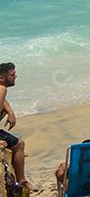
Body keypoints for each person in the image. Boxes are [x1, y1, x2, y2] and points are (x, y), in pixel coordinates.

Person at [0, 63, 29, 192]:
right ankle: (21, 182)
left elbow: (3, 102)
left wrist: (10, 112)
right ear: (1, 78)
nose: (15, 76)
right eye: (12, 75)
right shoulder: (2, 89)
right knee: (19, 144)